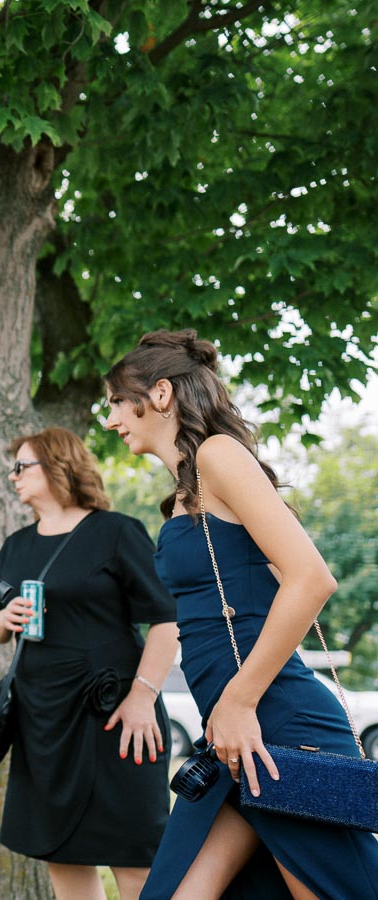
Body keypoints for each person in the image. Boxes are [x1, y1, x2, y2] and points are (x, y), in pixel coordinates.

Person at [104, 329, 378, 898]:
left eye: (114, 402)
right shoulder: (184, 489)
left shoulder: (217, 455)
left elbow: (311, 578)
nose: (110, 420)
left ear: (159, 394)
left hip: (274, 725)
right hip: (229, 737)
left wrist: (239, 700)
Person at [0, 427, 179, 900]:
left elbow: (168, 619)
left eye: (21, 466)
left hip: (119, 719)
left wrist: (142, 698)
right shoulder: (16, 546)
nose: (13, 477)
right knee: (63, 858)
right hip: (44, 723)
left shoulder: (116, 532)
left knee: (136, 860)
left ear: (58, 466)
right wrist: (2, 617)